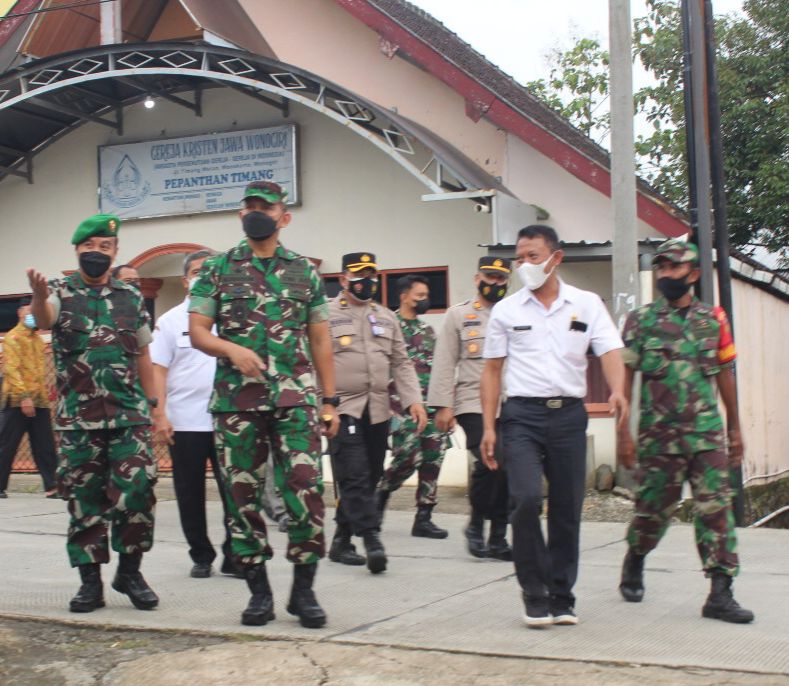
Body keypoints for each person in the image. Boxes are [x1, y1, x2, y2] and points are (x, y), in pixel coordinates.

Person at [189, 181, 339, 629]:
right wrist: (231, 350)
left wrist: (329, 401)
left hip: (295, 401)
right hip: (237, 403)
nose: (257, 213)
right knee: (241, 498)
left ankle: (304, 591)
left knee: (306, 492)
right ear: (240, 215)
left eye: (266, 207)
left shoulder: (305, 273)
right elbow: (199, 332)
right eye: (250, 206)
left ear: (283, 216)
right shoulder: (217, 269)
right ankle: (258, 593)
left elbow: (320, 340)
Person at [480, 224, 628, 628]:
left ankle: (562, 595)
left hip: (568, 416)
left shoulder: (587, 304)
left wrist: (618, 390)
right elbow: (492, 371)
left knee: (566, 508)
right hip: (521, 417)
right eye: (520, 257)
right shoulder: (507, 310)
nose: (524, 264)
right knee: (526, 499)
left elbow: (611, 349)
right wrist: (490, 428)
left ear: (555, 258)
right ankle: (534, 592)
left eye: (533, 256)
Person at [27, 214, 165, 614]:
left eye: (105, 247)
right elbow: (40, 320)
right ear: (78, 250)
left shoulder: (130, 297)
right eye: (90, 247)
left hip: (129, 416)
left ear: (115, 252)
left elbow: (143, 354)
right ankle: (90, 584)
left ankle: (130, 572)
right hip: (79, 421)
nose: (97, 254)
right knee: (84, 501)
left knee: (138, 492)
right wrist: (36, 296)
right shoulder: (58, 291)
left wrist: (154, 410)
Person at [617, 238, 754, 624]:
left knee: (716, 510)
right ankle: (636, 556)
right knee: (653, 513)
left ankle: (720, 592)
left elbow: (725, 372)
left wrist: (735, 427)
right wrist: (622, 434)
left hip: (706, 434)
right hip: (659, 438)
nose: (665, 275)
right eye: (660, 268)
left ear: (693, 274)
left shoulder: (714, 320)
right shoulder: (640, 321)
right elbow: (625, 379)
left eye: (673, 268)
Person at [328, 253, 426, 574]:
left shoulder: (385, 316)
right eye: (359, 276)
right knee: (354, 474)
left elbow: (401, 362)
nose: (366, 282)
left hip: (378, 409)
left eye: (371, 275)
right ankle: (371, 538)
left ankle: (341, 539)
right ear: (344, 279)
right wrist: (320, 404)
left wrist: (413, 400)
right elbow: (311, 360)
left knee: (369, 476)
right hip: (342, 407)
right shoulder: (324, 314)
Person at [150, 248, 239, 579]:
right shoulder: (171, 321)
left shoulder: (232, 317)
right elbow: (158, 370)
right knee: (189, 492)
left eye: (210, 271)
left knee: (236, 491)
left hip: (229, 419)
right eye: (197, 271)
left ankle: (235, 553)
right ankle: (201, 554)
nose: (203, 276)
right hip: (185, 420)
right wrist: (160, 415)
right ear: (186, 281)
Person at [427, 256, 513, 560]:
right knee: (494, 461)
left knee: (505, 469)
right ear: (478, 278)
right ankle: (477, 525)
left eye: (501, 279)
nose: (495, 283)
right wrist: (442, 406)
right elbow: (444, 360)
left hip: (511, 403)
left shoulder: (516, 314)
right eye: (489, 277)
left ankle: (498, 537)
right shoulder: (459, 315)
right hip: (472, 402)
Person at [377, 275, 449, 539]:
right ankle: (381, 493)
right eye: (419, 295)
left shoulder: (428, 332)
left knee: (433, 457)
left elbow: (440, 370)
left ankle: (424, 518)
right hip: (397, 406)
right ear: (404, 296)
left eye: (426, 296)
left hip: (430, 406)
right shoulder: (387, 326)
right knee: (408, 456)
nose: (424, 300)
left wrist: (445, 405)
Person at [0, 298, 58, 499]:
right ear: (19, 313)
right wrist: (24, 397)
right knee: (7, 445)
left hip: (39, 399)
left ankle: (52, 485)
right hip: (17, 399)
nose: (32, 316)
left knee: (45, 444)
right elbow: (12, 369)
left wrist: (37, 397)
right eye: (28, 312)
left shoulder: (37, 340)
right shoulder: (13, 338)